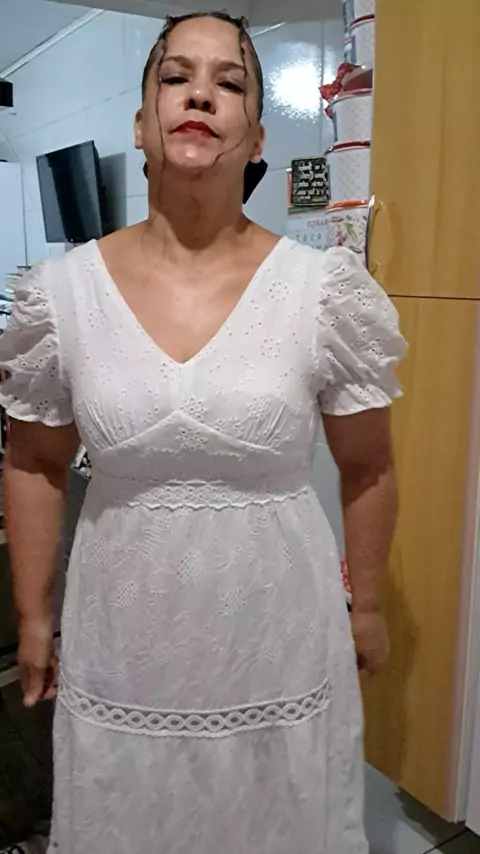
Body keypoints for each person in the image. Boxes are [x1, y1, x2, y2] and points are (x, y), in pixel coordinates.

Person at [0, 11, 406, 854]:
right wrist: (33, 616)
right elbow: (35, 463)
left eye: (229, 82)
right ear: (141, 122)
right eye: (176, 77)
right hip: (123, 643)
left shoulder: (324, 292)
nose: (200, 95)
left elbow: (368, 465)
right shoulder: (62, 296)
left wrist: (366, 604)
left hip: (279, 637)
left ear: (256, 135)